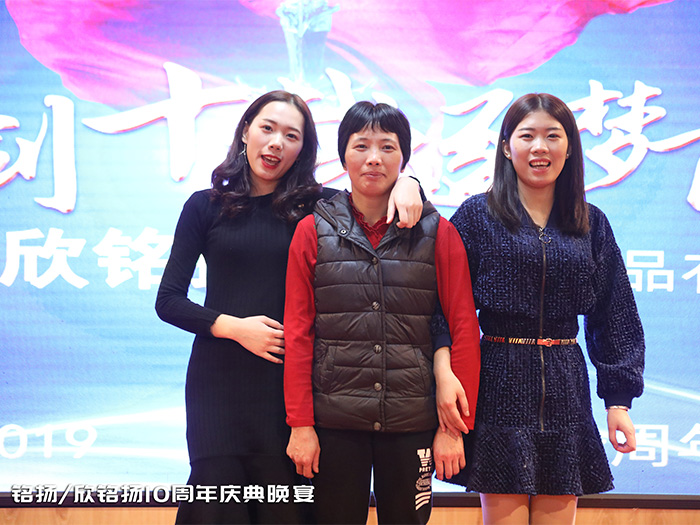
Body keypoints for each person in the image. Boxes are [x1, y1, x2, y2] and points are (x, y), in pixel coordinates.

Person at [155, 90, 424, 524]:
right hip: (219, 384)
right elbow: (169, 300)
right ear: (246, 131)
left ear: (304, 149)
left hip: (292, 387)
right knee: (216, 508)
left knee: (285, 509)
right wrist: (235, 328)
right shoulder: (205, 206)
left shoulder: (322, 208)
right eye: (267, 128)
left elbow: (375, 187)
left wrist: (411, 183)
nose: (276, 142)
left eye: (291, 135)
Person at [433, 93, 645, 525]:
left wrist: (618, 401)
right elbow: (443, 307)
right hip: (498, 383)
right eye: (527, 136)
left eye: (553, 136)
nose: (540, 147)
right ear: (506, 147)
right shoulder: (476, 216)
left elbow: (614, 313)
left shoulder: (591, 222)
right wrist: (444, 381)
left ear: (570, 148)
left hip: (567, 388)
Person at [283, 101, 481, 525]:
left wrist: (454, 429)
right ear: (343, 156)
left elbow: (463, 327)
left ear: (403, 159)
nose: (374, 158)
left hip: (413, 421)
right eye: (361, 146)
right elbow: (299, 333)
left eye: (387, 147)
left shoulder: (439, 232)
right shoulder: (311, 230)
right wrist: (300, 424)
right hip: (334, 422)